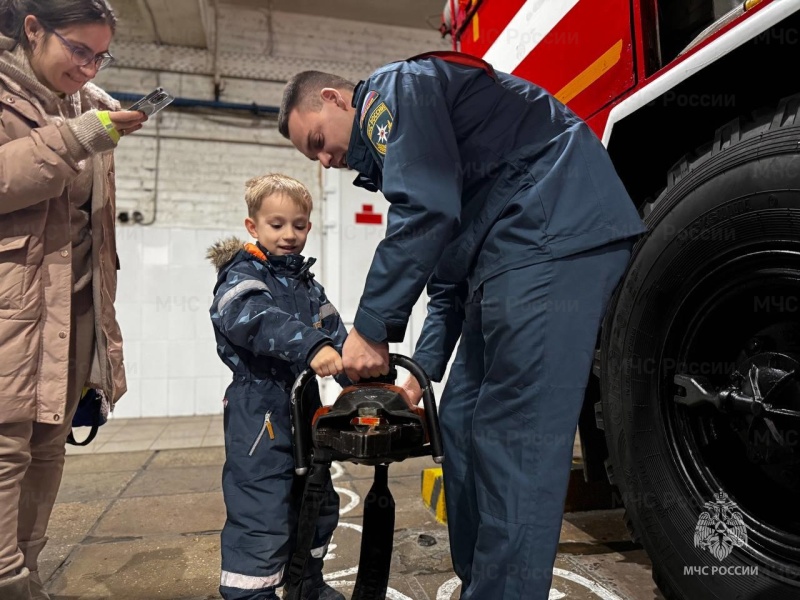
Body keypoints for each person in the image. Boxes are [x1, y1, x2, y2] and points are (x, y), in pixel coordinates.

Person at [278, 52, 647, 599]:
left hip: (552, 225)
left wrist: (371, 328)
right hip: (505, 253)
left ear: (334, 99)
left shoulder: (395, 91)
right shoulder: (416, 155)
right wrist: (418, 375)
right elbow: (448, 275)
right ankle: (486, 585)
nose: (326, 161)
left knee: (512, 434)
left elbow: (427, 213)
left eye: (317, 142)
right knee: (458, 420)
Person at [0, 1, 147, 598]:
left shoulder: (85, 106)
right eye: (79, 51)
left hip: (76, 304)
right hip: (14, 304)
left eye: (100, 55)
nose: (89, 68)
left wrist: (87, 120)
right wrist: (76, 136)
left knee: (47, 446)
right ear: (33, 29)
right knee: (5, 446)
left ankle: (25, 573)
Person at [207, 174, 348, 600]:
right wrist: (311, 344)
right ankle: (251, 594)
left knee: (317, 498)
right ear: (253, 227)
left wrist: (369, 383)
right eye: (277, 224)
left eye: (300, 225)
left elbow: (337, 338)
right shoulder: (242, 274)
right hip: (260, 408)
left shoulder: (306, 284)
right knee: (262, 508)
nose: (290, 235)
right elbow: (250, 317)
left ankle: (307, 583)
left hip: (302, 403)